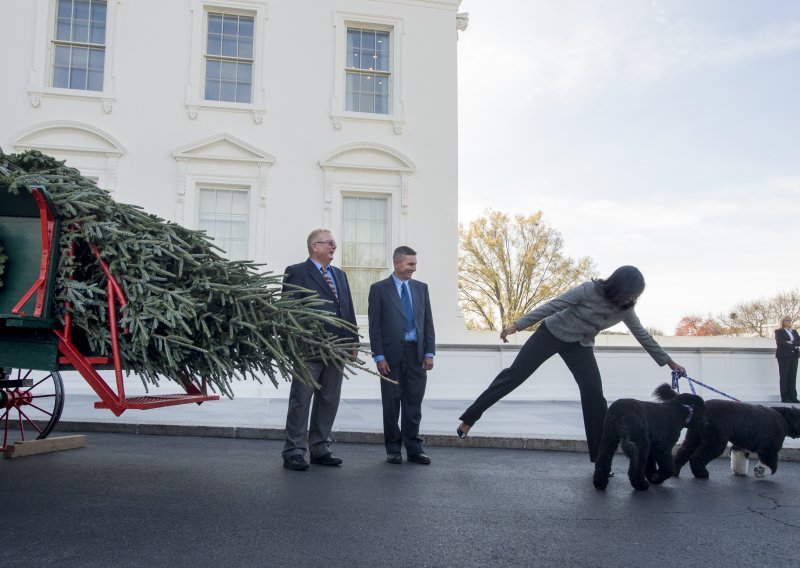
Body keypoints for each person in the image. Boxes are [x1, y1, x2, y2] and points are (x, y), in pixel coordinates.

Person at [456, 265, 686, 463]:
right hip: (551, 333)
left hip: (580, 345)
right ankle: (469, 418)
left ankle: (601, 457)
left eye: (634, 296)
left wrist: (669, 362)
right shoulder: (589, 290)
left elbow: (643, 335)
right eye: (629, 294)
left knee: (594, 393)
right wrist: (517, 325)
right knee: (514, 376)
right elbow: (553, 306)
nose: (630, 299)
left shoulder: (626, 309)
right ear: (619, 285)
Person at [281, 229, 358, 471]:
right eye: (329, 243)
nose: (334, 246)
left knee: (329, 399)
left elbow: (347, 308)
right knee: (301, 399)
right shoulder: (296, 272)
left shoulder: (339, 275)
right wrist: (295, 341)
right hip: (309, 348)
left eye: (334, 243)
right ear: (315, 246)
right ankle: (293, 450)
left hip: (337, 348)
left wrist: (353, 340)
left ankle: (320, 447)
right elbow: (289, 310)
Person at [368, 246, 436, 465]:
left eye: (415, 264)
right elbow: (374, 326)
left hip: (416, 354)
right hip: (390, 356)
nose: (414, 269)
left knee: (413, 403)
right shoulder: (379, 289)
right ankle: (393, 449)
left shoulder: (421, 288)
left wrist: (429, 352)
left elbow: (428, 323)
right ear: (397, 263)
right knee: (391, 403)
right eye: (410, 264)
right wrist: (379, 356)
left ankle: (414, 448)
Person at [775, 316, 800, 403]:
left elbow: (799, 341)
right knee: (784, 376)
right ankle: (785, 397)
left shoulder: (794, 331)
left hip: (794, 355)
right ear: (782, 321)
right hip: (784, 356)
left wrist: (791, 342)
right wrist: (794, 345)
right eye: (787, 320)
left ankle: (793, 397)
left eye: (790, 320)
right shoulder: (779, 332)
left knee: (792, 376)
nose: (789, 322)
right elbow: (781, 343)